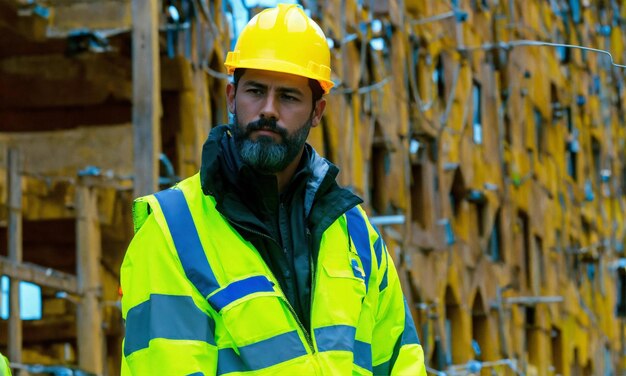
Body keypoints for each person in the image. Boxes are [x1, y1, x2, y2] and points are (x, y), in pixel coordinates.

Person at [120, 3, 426, 375]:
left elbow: (400, 363)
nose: (268, 109)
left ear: (317, 111)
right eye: (255, 91)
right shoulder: (172, 232)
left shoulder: (357, 236)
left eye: (289, 97)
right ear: (232, 98)